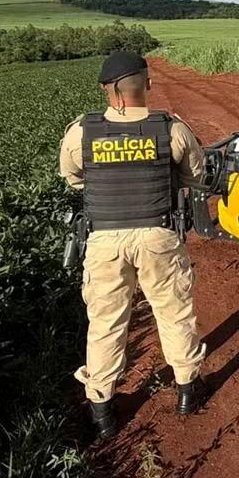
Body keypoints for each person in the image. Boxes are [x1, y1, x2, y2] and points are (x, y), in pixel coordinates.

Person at [59, 51, 207, 439]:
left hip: (104, 241)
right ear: (148, 85)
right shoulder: (172, 130)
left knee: (106, 321)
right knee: (174, 312)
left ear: (105, 90)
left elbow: (73, 177)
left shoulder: (81, 132)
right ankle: (187, 391)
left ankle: (102, 411)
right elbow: (195, 175)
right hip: (158, 235)